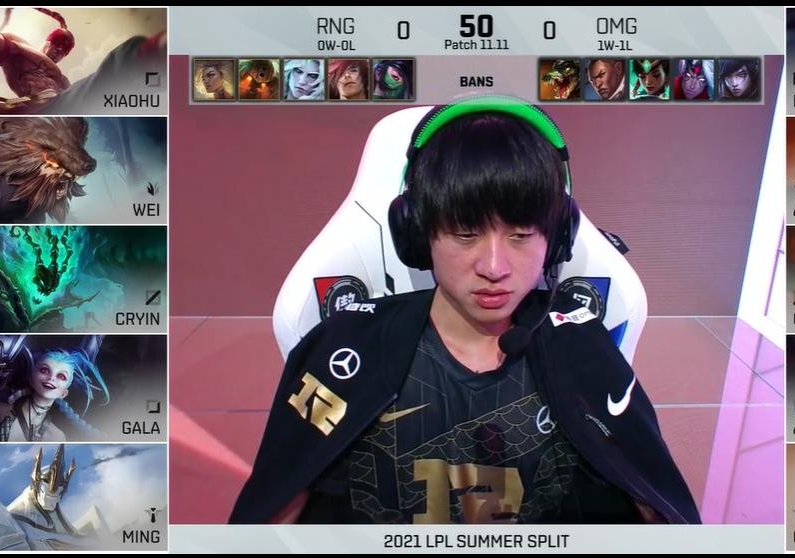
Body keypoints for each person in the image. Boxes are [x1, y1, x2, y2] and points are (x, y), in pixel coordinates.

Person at [231, 95, 699, 525]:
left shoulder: (583, 349)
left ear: (557, 239)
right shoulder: (347, 343)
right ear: (418, 233)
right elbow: (276, 511)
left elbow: (656, 511)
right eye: (464, 233)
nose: (494, 268)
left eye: (521, 235)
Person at [0, 348, 107, 442]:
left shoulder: (57, 437)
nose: (51, 378)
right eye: (44, 370)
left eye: (61, 376)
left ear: (64, 393)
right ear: (31, 379)